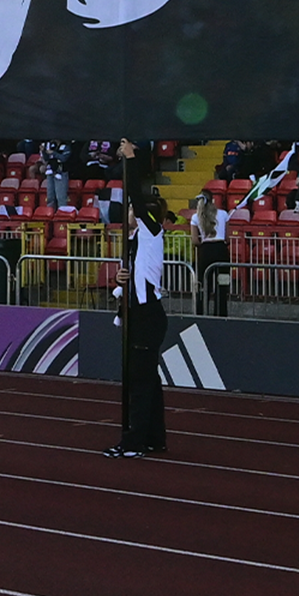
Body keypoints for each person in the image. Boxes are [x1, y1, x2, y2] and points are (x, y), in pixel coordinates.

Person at [108, 190, 171, 457]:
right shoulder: (137, 241)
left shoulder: (151, 232)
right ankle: (154, 438)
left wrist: (131, 159)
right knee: (149, 383)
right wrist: (122, 280)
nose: (130, 214)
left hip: (147, 316)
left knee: (140, 384)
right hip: (139, 315)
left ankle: (133, 441)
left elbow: (136, 196)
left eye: (134, 211)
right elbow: (135, 279)